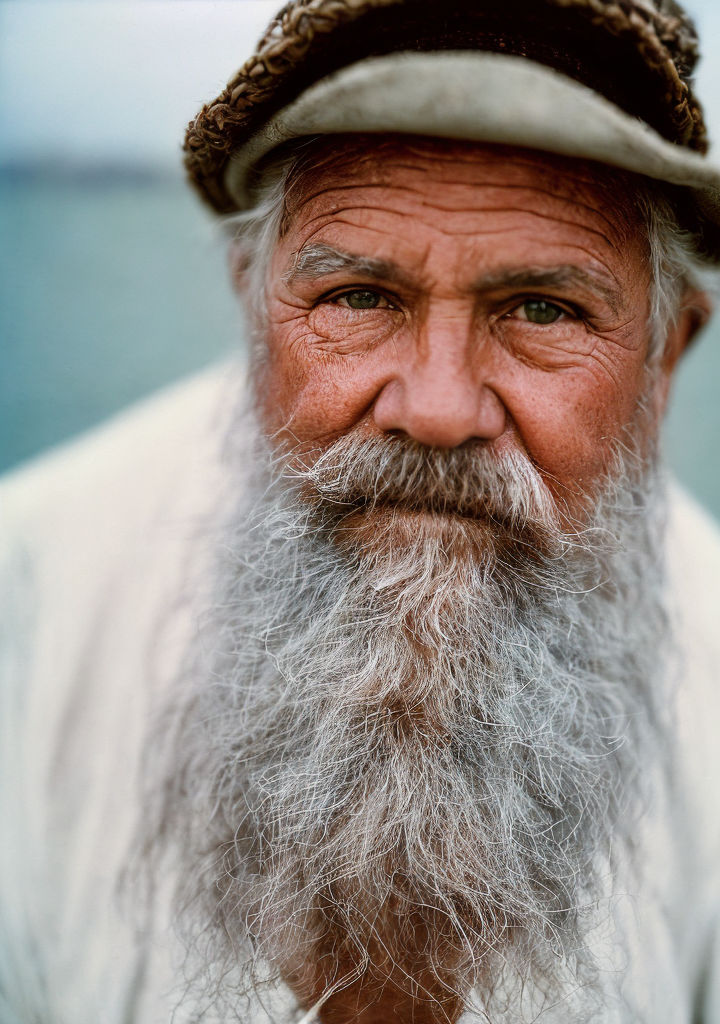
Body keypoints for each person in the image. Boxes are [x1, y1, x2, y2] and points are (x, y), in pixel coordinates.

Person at [3, 0, 720, 1021]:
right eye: (358, 296)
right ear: (254, 310)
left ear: (663, 362)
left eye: (544, 309)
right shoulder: (26, 595)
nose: (435, 408)